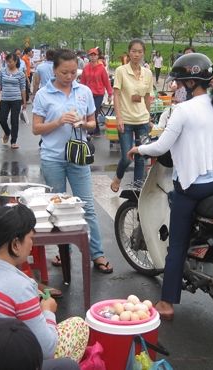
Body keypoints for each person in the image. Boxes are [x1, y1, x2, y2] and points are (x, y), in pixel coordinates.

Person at [126, 53, 213, 320]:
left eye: (181, 84)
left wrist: (139, 149)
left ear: (191, 82)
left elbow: (161, 146)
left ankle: (167, 303)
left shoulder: (183, 110)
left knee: (176, 245)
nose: (178, 88)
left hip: (192, 185)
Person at [0, 205, 88, 367]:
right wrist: (48, 312)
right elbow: (47, 349)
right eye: (31, 237)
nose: (32, 244)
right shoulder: (21, 287)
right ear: (15, 244)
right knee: (79, 327)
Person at [31, 49, 114, 274]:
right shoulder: (43, 94)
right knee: (57, 208)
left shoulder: (84, 91)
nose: (69, 77)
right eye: (64, 72)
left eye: (72, 72)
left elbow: (92, 123)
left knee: (86, 205)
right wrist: (58, 121)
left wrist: (82, 124)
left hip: (77, 157)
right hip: (53, 158)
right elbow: (36, 128)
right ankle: (63, 252)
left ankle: (97, 254)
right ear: (54, 70)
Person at [110, 39, 155, 193]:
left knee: (141, 157)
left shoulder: (148, 73)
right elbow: (116, 95)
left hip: (142, 120)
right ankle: (118, 176)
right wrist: (118, 117)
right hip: (126, 121)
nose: (136, 54)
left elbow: (148, 96)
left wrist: (149, 118)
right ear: (129, 52)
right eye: (134, 51)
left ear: (144, 53)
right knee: (126, 157)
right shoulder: (121, 71)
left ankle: (137, 190)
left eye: (140, 51)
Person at [0, 52, 27, 149]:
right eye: (7, 62)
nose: (8, 63)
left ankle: (14, 141)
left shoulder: (20, 74)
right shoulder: (3, 72)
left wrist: (24, 102)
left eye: (10, 62)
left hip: (16, 99)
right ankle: (7, 132)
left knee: (14, 121)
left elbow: (23, 88)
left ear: (15, 61)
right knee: (1, 119)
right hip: (5, 99)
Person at [80, 47, 113, 137]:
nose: (93, 57)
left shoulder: (101, 68)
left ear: (98, 56)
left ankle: (92, 131)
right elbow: (82, 81)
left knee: (94, 112)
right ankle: (96, 130)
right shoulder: (86, 68)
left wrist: (110, 94)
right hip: (88, 94)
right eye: (91, 55)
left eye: (95, 55)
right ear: (89, 56)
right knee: (88, 112)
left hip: (99, 93)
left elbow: (106, 81)